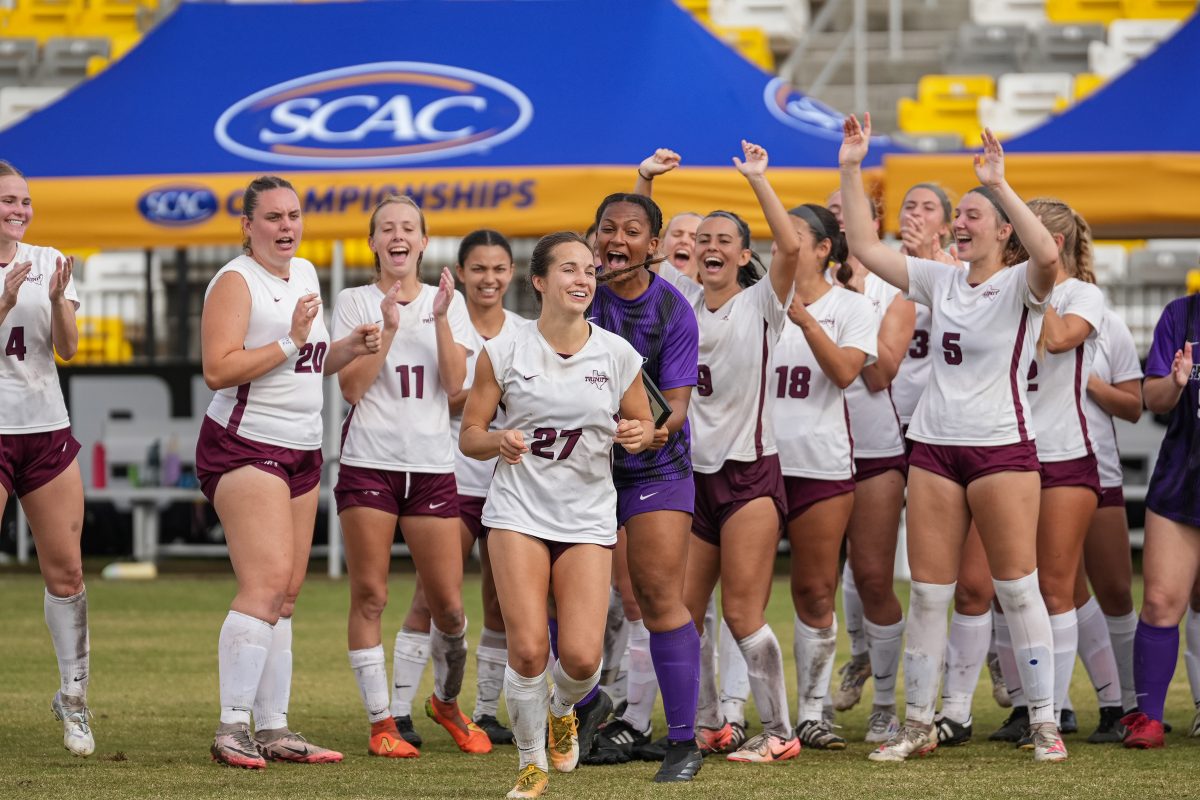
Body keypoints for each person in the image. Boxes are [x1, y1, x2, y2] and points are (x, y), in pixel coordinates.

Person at [839, 117, 1066, 763]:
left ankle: (1044, 721)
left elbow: (1048, 255)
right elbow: (862, 241)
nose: (960, 223)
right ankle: (919, 723)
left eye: (973, 215)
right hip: (935, 448)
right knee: (931, 593)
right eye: (957, 214)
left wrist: (999, 183)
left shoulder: (1023, 283)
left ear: (1003, 231)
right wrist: (852, 167)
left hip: (1002, 449)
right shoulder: (941, 280)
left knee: (1016, 587)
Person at [460, 231, 653, 799]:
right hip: (518, 511)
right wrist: (499, 440)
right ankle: (530, 762)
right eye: (568, 269)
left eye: (589, 271)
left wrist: (638, 434)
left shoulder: (617, 354)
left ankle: (564, 708)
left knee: (581, 658)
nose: (582, 280)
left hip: (589, 515)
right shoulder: (505, 350)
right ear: (539, 281)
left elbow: (644, 429)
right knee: (527, 650)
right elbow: (470, 435)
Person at [199, 175, 380, 768]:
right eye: (272, 217)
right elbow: (219, 371)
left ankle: (274, 728)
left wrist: (350, 346)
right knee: (266, 582)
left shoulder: (301, 273)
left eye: (293, 215)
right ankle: (232, 726)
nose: (286, 227)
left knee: (288, 593)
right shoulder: (235, 280)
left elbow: (309, 362)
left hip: (301, 448)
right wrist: (290, 341)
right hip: (244, 444)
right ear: (246, 226)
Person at [334, 195, 489, 758]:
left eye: (408, 229)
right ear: (373, 242)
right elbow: (351, 389)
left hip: (430, 468)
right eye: (386, 229)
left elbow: (454, 391)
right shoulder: (354, 302)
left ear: (423, 242)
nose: (397, 237)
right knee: (370, 593)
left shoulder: (448, 304)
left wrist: (443, 317)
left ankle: (445, 703)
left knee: (449, 606)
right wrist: (390, 326)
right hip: (369, 464)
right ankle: (381, 725)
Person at [678, 141, 801, 763]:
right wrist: (645, 181)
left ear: (743, 255)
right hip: (693, 480)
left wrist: (758, 179)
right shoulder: (684, 306)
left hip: (750, 474)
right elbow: (638, 258)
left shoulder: (760, 303)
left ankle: (780, 732)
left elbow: (793, 248)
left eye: (724, 240)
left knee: (743, 612)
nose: (711, 247)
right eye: (703, 239)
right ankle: (709, 726)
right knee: (684, 611)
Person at [582, 189, 703, 781]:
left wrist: (648, 433)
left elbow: (675, 410)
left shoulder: (674, 310)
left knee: (656, 596)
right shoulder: (578, 300)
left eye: (632, 231)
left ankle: (684, 743)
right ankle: (584, 705)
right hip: (584, 470)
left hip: (656, 468)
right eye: (609, 229)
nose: (618, 240)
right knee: (567, 603)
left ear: (653, 246)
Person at [773, 203, 877, 750]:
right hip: (757, 462)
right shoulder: (754, 301)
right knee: (743, 594)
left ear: (821, 248)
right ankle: (734, 713)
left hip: (820, 463)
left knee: (816, 590)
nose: (780, 245)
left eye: (793, 237)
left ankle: (812, 712)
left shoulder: (852, 307)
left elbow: (843, 373)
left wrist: (806, 319)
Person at [0, 162, 90, 757]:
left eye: (24, 201)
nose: (19, 210)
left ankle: (74, 699)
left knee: (68, 572)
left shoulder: (50, 258)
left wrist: (58, 300)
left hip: (46, 430)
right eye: (8, 200)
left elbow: (68, 348)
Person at [827, 190, 916, 744]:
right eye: (832, 212)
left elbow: (880, 374)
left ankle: (885, 703)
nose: (839, 219)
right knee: (814, 583)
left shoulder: (893, 284)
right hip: (812, 446)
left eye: (848, 210)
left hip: (875, 445)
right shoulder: (804, 277)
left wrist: (856, 299)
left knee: (874, 575)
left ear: (873, 220)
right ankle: (810, 709)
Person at [449, 229, 527, 743]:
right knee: (439, 599)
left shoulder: (525, 332)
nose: (489, 278)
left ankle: (484, 711)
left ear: (514, 274)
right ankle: (418, 706)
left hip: (507, 484)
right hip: (450, 476)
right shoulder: (444, 324)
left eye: (499, 268)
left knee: (500, 601)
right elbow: (442, 396)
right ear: (460, 273)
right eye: (478, 268)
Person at [1122, 292, 1199, 749]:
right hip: (1181, 481)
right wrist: (1175, 381)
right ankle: (1148, 717)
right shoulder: (1181, 314)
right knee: (1161, 601)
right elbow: (1154, 396)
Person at [1079, 306, 1142, 731]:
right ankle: (1063, 708)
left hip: (1097, 468)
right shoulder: (1017, 308)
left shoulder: (1106, 320)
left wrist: (1088, 382)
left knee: (1117, 590)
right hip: (1035, 466)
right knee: (1058, 590)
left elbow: (1134, 406)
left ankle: (1137, 703)